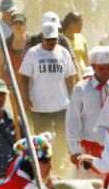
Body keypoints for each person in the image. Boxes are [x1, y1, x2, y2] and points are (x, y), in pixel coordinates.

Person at [18, 22, 77, 169]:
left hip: (62, 103)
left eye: (54, 39)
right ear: (42, 38)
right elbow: (24, 78)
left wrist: (74, 100)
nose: (51, 42)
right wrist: (25, 98)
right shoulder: (33, 53)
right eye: (48, 39)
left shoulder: (63, 52)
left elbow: (70, 78)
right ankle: (44, 165)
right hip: (39, 105)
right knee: (42, 139)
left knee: (64, 136)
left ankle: (57, 164)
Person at [66, 46, 109, 179]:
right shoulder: (82, 89)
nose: (106, 72)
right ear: (93, 66)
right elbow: (73, 120)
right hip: (87, 150)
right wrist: (74, 149)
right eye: (102, 68)